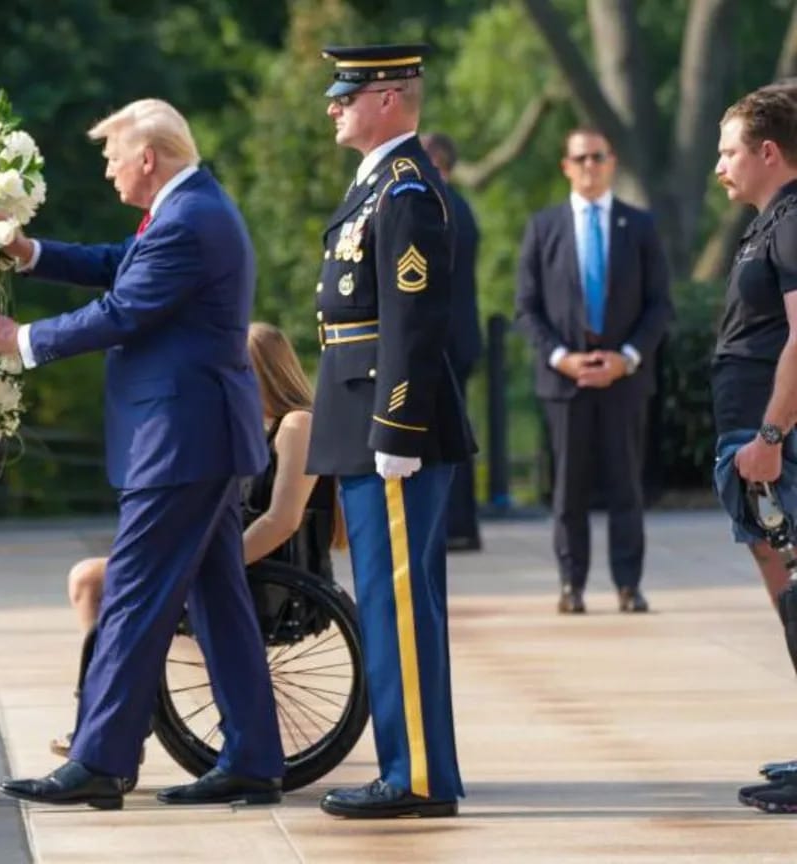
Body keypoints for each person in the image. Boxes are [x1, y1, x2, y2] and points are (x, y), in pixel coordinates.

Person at [0, 98, 285, 809]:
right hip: (197, 438)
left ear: (147, 158)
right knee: (219, 604)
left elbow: (124, 310)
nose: (108, 172)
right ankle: (255, 759)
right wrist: (32, 254)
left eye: (112, 158)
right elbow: (122, 267)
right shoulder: (188, 209)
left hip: (182, 444)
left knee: (134, 600)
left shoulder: (191, 218)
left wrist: (21, 340)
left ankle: (102, 760)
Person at [308, 44, 473, 819]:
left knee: (395, 606)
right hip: (365, 413)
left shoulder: (405, 189)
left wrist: (397, 428)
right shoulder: (379, 182)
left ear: (389, 99)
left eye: (347, 94)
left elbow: (413, 321)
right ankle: (419, 770)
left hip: (390, 422)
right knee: (391, 604)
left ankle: (411, 778)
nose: (334, 106)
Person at [49, 321, 336, 757]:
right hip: (214, 559)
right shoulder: (244, 425)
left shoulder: (296, 425)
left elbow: (282, 520)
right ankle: (111, 716)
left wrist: (205, 569)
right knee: (90, 579)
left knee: (103, 585)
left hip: (268, 574)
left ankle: (111, 722)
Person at [514, 128, 672, 614]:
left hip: (624, 379)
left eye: (598, 157)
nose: (589, 166)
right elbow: (527, 308)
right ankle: (571, 585)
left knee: (626, 485)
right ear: (565, 165)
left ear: (612, 162)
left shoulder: (639, 225)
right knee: (568, 489)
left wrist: (627, 356)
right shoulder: (544, 227)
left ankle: (628, 584)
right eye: (580, 158)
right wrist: (563, 357)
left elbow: (659, 306)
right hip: (566, 381)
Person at [708, 83, 797, 814]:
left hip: (775, 444)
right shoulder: (771, 221)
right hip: (755, 442)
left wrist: (771, 435)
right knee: (789, 597)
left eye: (730, 150)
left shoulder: (793, 221)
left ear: (770, 152)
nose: (719, 166)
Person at [420, 133, 483, 552]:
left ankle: (457, 524)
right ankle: (458, 524)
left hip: (447, 342)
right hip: (456, 339)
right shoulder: (456, 205)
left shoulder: (441, 206)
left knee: (447, 437)